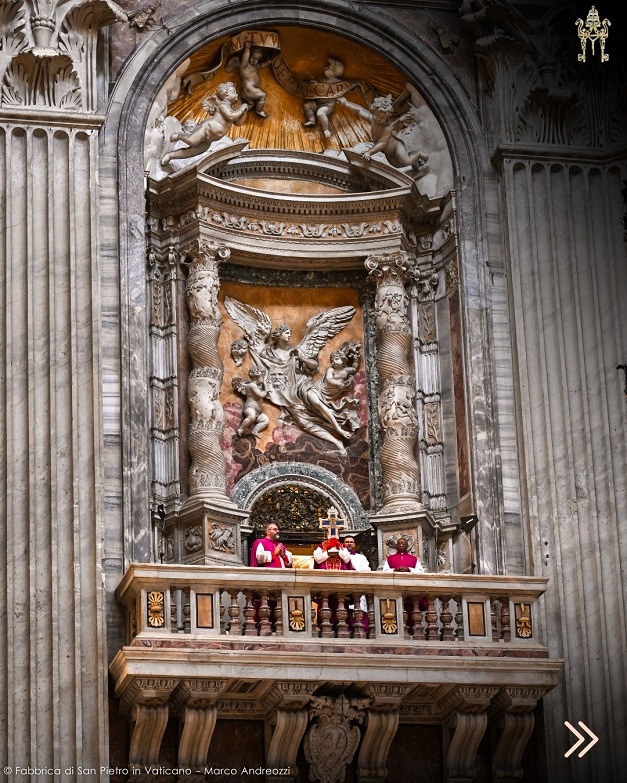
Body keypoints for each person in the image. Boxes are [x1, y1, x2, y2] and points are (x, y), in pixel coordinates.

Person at [161, 82, 248, 165]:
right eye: (234, 92)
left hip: (209, 140)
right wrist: (241, 109)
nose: (237, 94)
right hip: (205, 129)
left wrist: (244, 113)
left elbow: (238, 123)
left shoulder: (232, 110)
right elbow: (231, 116)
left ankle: (170, 155)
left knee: (191, 152)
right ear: (226, 93)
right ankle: (179, 136)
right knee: (191, 141)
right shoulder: (223, 105)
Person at [303, 57, 345, 139]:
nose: (325, 68)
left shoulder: (337, 82)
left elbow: (344, 88)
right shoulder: (321, 78)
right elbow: (315, 85)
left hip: (327, 105)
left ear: (334, 72)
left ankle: (326, 130)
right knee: (307, 106)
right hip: (317, 103)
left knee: (320, 113)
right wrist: (313, 83)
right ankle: (312, 120)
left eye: (328, 67)